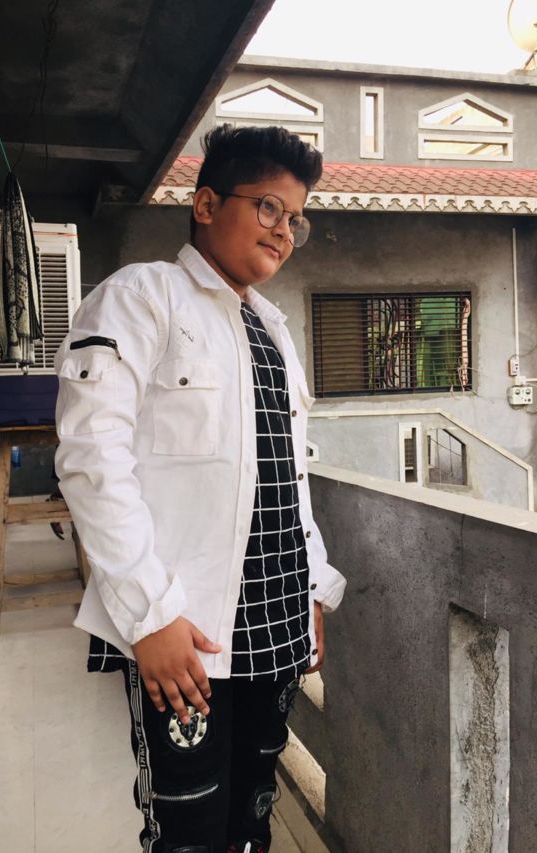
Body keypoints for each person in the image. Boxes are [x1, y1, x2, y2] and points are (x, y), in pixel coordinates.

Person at [54, 124, 347, 853]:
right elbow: (92, 459)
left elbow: (288, 477)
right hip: (186, 634)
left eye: (296, 218)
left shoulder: (273, 332)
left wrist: (311, 587)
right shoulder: (141, 298)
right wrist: (149, 615)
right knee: (187, 831)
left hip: (277, 623)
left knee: (252, 820)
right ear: (207, 204)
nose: (284, 231)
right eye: (269, 207)